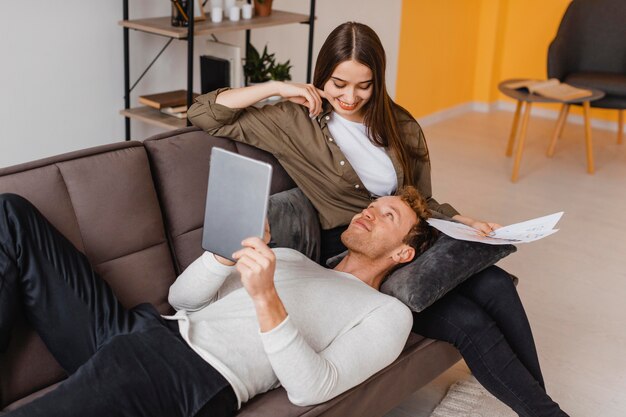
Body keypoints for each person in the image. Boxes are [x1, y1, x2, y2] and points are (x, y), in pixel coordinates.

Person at [187, 21, 569, 417]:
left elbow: (419, 200)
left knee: (496, 283)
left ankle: (540, 404)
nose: (349, 96)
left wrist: (463, 220)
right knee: (468, 320)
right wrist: (277, 87)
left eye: (363, 85)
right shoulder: (292, 119)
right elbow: (203, 113)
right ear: (321, 76)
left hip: (408, 238)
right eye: (338, 83)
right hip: (359, 252)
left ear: (377, 81)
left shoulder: (400, 124)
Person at [0, 186, 437, 416]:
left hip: (187, 374)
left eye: (387, 216)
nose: (369, 212)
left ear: (403, 253)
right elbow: (181, 299)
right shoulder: (286, 256)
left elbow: (313, 388)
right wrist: (221, 255)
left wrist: (266, 296)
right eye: (373, 204)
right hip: (143, 329)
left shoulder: (387, 313)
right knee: (11, 215)